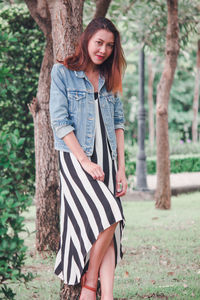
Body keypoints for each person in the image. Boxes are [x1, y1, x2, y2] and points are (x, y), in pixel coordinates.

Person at [49, 17, 127, 300]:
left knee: (110, 226)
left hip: (106, 159)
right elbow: (59, 122)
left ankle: (105, 295)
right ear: (86, 40)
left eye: (109, 45)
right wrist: (84, 161)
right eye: (99, 42)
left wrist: (121, 168)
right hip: (75, 158)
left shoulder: (110, 77)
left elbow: (118, 123)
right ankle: (90, 284)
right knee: (110, 214)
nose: (103, 50)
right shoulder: (63, 72)